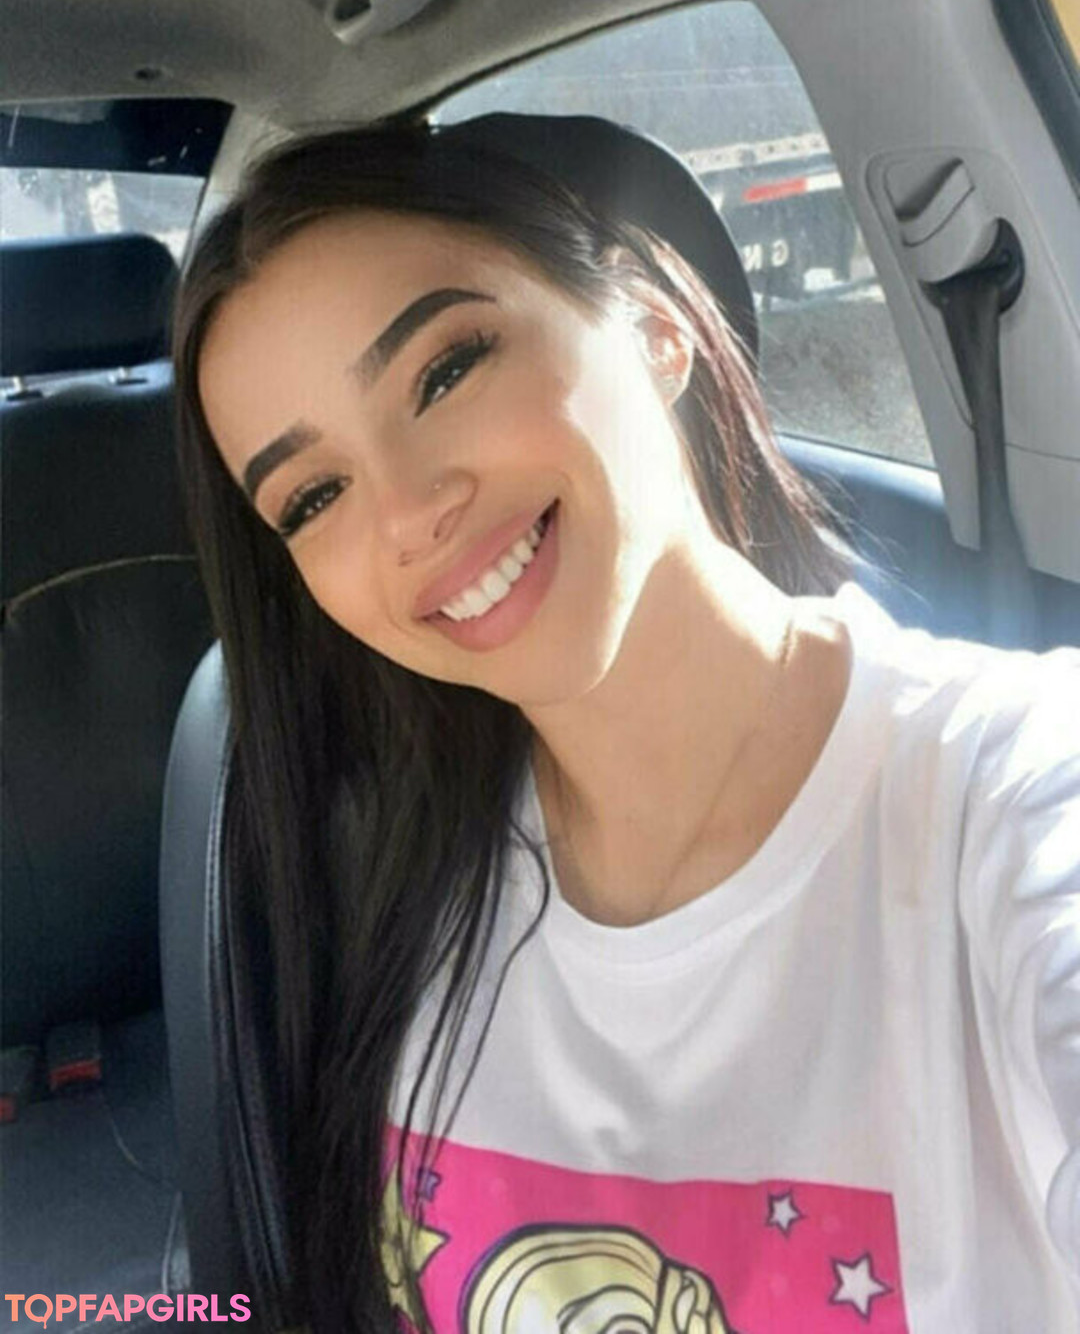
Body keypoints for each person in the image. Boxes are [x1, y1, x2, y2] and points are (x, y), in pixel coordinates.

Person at [173, 115, 1080, 1334]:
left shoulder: (1016, 794)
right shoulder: (387, 874)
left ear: (652, 324)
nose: (407, 514)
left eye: (445, 371)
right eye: (315, 494)